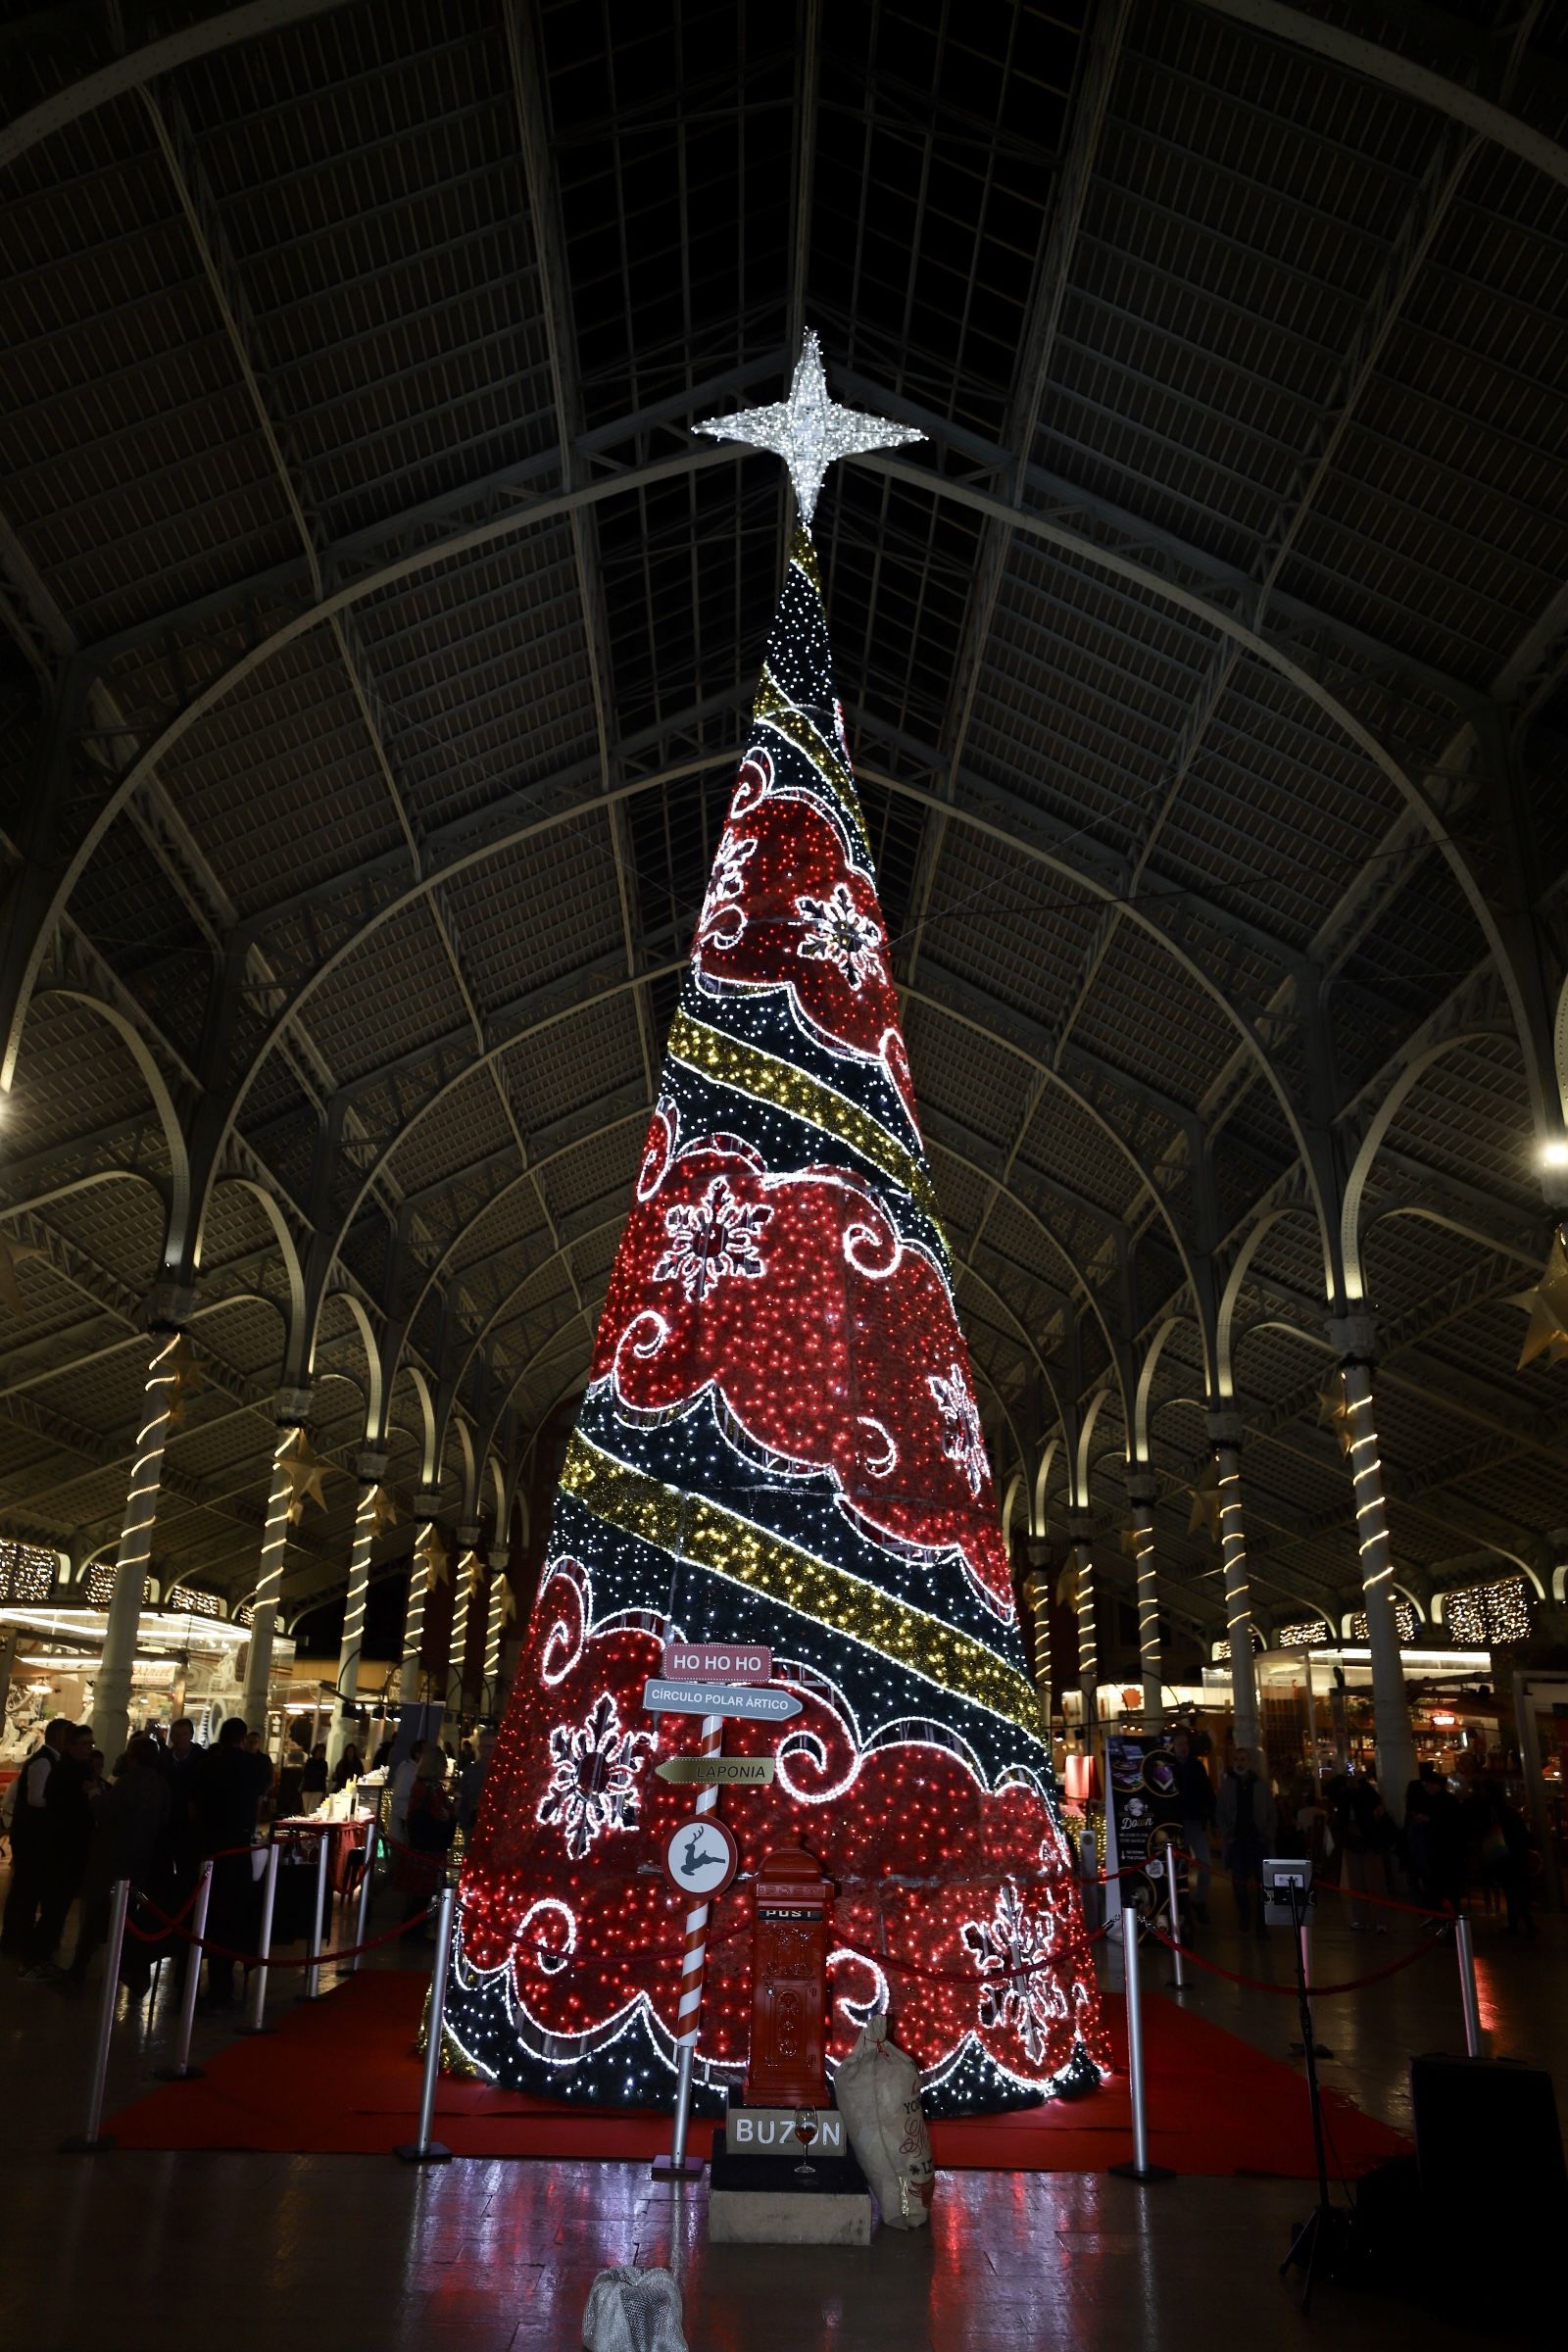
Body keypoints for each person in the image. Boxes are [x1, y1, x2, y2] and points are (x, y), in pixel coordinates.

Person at [63, 1736, 172, 1991]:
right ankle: (133, 1972)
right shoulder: (161, 1784)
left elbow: (104, 1811)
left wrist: (94, 1793)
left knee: (96, 1915)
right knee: (131, 1918)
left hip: (112, 1860)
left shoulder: (127, 1783)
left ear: (131, 1758)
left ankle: (78, 1971)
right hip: (141, 1859)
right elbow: (165, 1818)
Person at [198, 1717, 274, 2007]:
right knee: (230, 1917)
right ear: (243, 1740)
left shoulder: (208, 1765)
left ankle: (196, 1982)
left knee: (209, 1915)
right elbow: (263, 1788)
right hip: (236, 1848)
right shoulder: (251, 1766)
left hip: (209, 1846)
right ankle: (223, 1984)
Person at [1, 1718, 73, 1960]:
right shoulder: (44, 1761)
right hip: (32, 1835)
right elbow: (35, 1799)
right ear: (58, 1737)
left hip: (35, 1835)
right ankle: (16, 1938)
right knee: (26, 1888)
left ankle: (19, 1936)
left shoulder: (52, 1760)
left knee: (27, 1888)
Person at [29, 1724, 96, 1977]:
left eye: (92, 1744)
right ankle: (36, 1958)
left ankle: (41, 1956)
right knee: (54, 1908)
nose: (90, 1748)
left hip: (72, 1848)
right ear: (71, 1745)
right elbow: (58, 1808)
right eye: (85, 1744)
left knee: (58, 1908)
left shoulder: (78, 1769)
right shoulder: (64, 1772)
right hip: (61, 1849)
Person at [1217, 1746, 1276, 1935]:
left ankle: (1261, 1922)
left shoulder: (1261, 1785)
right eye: (1236, 1759)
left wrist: (1266, 1835)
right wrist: (1228, 1834)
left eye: (1243, 1759)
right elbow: (1220, 1812)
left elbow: (1272, 1814)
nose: (1239, 1763)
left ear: (1249, 1762)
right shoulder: (1227, 1786)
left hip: (1257, 1841)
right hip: (1237, 1841)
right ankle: (1244, 1915)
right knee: (1239, 1883)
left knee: (1262, 1884)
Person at [399, 1747, 455, 1937]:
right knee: (425, 1893)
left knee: (417, 1894)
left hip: (418, 1843)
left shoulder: (418, 1784)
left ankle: (410, 1929)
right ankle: (415, 1932)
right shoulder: (433, 1788)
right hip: (431, 1846)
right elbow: (442, 1813)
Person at [1169, 1727, 1215, 1923]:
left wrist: (1211, 1818)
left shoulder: (1196, 1767)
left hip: (1194, 1821)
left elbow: (1207, 1793)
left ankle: (1198, 1900)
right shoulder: (1168, 1766)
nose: (1183, 1747)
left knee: (1205, 1864)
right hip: (1175, 1824)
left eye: (1185, 1744)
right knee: (1179, 1867)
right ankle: (1181, 1905)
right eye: (1180, 1744)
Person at [1342, 1773, 1397, 1930]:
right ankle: (1370, 1919)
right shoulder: (1360, 1797)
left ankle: (1370, 1919)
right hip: (1362, 1842)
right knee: (1366, 1882)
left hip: (1364, 1843)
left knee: (1369, 1883)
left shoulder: (1359, 1798)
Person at [389, 1739, 425, 1855]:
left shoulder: (415, 1771)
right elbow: (398, 1801)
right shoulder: (407, 1771)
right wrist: (410, 1819)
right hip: (402, 1834)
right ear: (418, 1754)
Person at [300, 1741, 329, 1815]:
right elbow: (305, 1773)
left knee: (311, 1810)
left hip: (317, 1789)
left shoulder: (323, 1763)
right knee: (307, 1810)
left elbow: (322, 1775)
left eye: (322, 1751)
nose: (320, 1753)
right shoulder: (309, 1761)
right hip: (307, 1787)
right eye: (319, 1750)